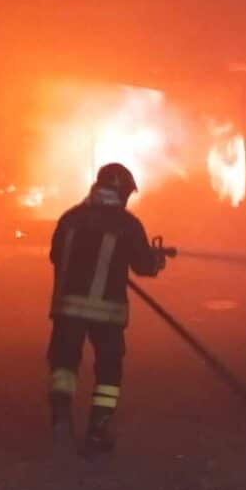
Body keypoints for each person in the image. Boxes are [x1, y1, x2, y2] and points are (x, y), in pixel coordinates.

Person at [47, 162, 166, 455]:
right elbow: (143, 266)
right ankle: (98, 430)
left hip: (67, 308)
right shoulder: (127, 224)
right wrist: (156, 260)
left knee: (64, 363)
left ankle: (61, 416)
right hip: (107, 312)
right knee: (108, 369)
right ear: (122, 192)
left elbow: (55, 255)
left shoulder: (70, 218)